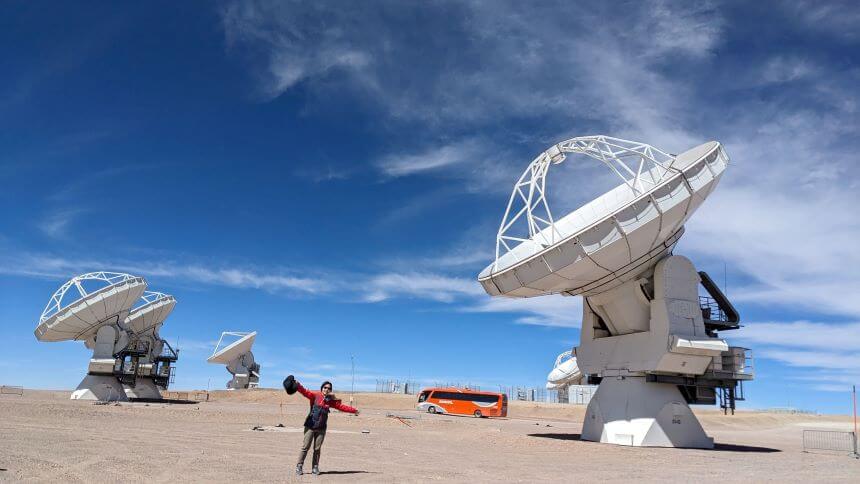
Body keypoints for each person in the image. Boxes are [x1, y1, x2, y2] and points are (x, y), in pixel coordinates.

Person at [291, 379, 359, 476]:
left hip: (321, 428)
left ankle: (315, 467)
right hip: (310, 426)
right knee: (305, 447)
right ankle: (299, 466)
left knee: (317, 449)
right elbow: (304, 392)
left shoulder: (330, 401)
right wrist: (297, 385)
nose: (326, 389)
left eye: (329, 388)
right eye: (325, 387)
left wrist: (354, 410)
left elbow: (341, 407)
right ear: (322, 388)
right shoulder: (315, 396)